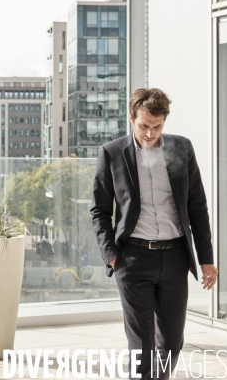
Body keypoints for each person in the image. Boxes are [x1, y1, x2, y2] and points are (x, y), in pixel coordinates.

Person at [91, 88, 217, 379]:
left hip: (174, 258)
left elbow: (197, 207)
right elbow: (99, 210)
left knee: (172, 344)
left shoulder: (182, 148)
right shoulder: (112, 153)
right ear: (131, 118)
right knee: (141, 345)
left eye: (157, 127)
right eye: (144, 125)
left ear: (164, 122)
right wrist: (112, 256)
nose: (150, 133)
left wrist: (206, 259)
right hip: (132, 259)